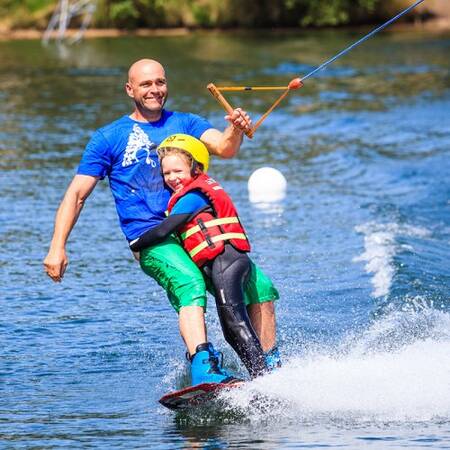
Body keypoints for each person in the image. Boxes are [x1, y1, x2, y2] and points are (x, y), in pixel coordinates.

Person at [43, 58, 279, 385]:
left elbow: (225, 148)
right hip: (151, 238)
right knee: (190, 284)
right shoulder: (108, 137)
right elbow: (77, 194)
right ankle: (203, 365)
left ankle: (268, 367)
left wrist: (235, 128)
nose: (155, 90)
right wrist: (58, 247)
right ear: (130, 90)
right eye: (146, 84)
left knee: (261, 287)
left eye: (160, 82)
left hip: (192, 230)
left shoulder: (186, 122)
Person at [130, 134, 281, 380]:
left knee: (234, 325)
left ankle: (263, 378)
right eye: (166, 173)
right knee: (234, 324)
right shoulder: (198, 190)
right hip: (230, 261)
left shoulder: (194, 195)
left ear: (196, 167)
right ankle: (267, 370)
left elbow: (166, 228)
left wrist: (137, 243)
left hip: (224, 263)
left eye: (177, 171)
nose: (171, 179)